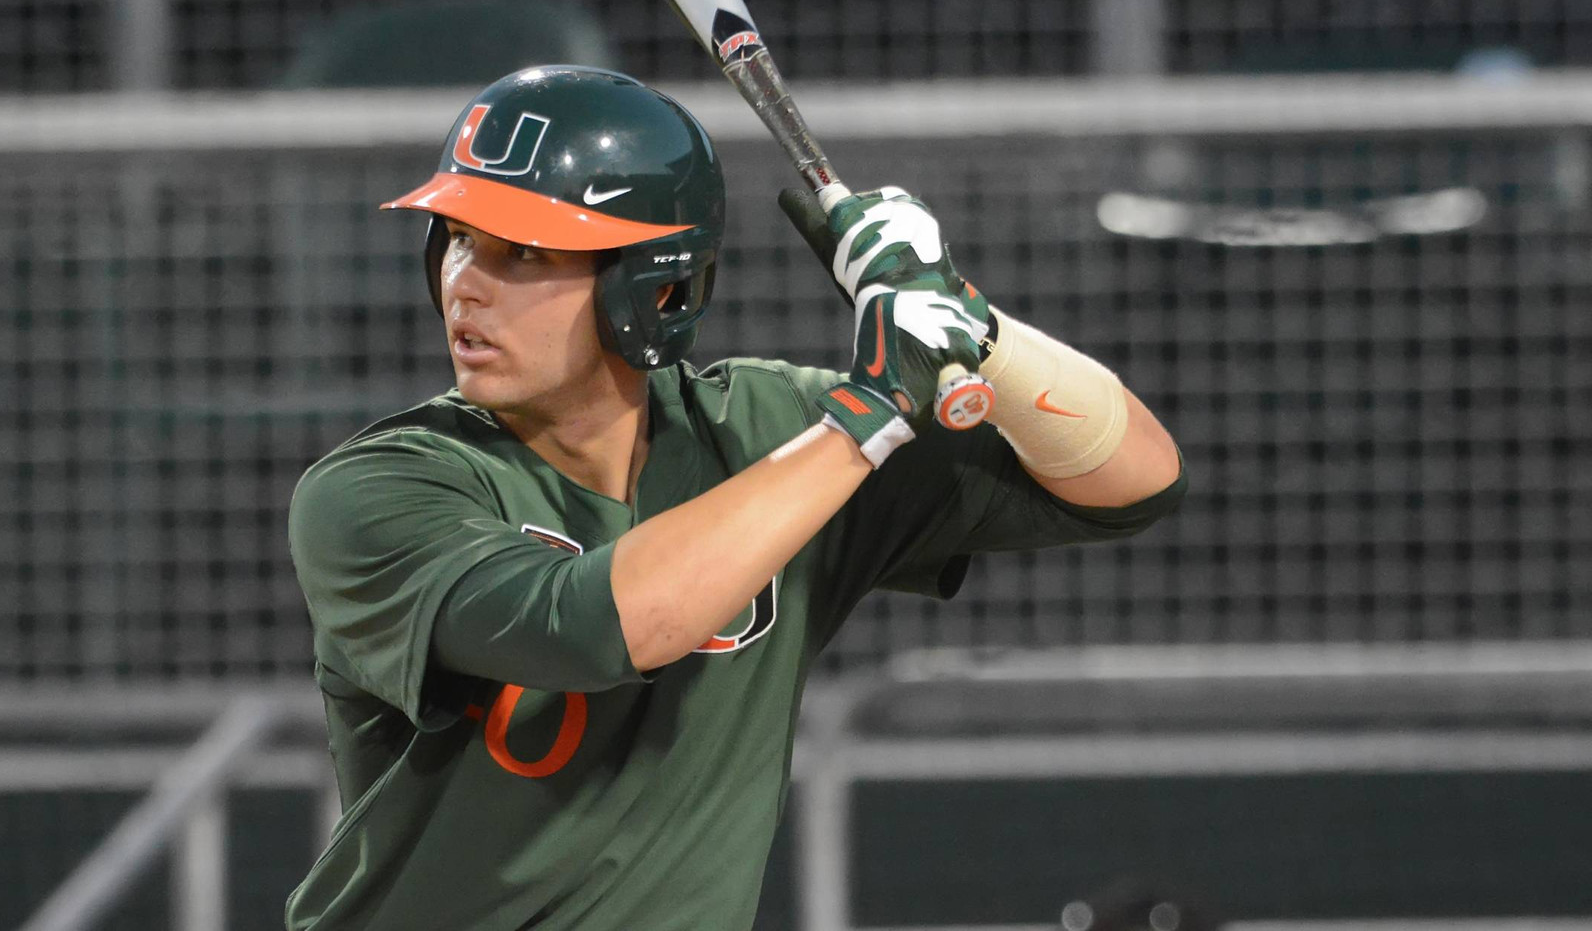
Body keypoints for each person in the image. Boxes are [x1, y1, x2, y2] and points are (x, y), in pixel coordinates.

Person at [285, 65, 1185, 930]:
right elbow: (595, 626)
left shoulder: (764, 431)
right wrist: (869, 412)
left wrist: (974, 328)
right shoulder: (378, 487)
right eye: (457, 237)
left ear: (657, 283)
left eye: (522, 251)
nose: (464, 282)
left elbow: (1132, 480)